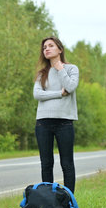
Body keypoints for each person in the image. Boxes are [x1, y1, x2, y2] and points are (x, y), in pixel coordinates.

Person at [33, 36, 79, 193]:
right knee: (46, 163)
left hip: (64, 122)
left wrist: (60, 69)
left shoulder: (72, 69)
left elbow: (71, 86)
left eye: (51, 46)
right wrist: (59, 93)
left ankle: (69, 202)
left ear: (60, 49)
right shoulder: (42, 74)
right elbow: (37, 94)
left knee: (67, 163)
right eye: (44, 47)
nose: (46, 48)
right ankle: (48, 201)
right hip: (43, 123)